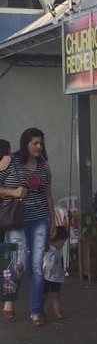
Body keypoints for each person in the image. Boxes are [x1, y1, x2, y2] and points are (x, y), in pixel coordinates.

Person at [0, 127, 55, 326]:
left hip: (39, 219)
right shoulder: (9, 161)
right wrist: (14, 192)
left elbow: (48, 195)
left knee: (37, 266)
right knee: (18, 263)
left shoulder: (44, 166)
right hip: (16, 220)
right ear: (26, 144)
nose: (39, 147)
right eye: (35, 143)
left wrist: (53, 221)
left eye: (41, 143)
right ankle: (9, 300)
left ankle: (36, 310)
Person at [43, 226, 68, 320]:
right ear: (57, 240)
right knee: (44, 295)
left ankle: (58, 313)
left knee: (55, 295)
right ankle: (40, 311)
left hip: (56, 277)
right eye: (63, 242)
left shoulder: (59, 251)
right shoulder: (48, 248)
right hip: (46, 275)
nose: (63, 244)